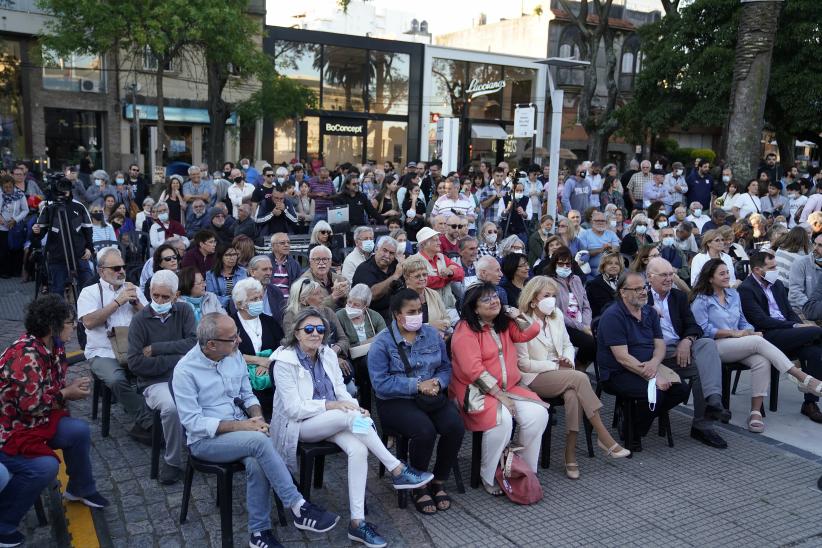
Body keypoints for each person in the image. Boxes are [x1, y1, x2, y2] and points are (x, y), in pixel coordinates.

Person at [173, 313, 340, 548]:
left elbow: (247, 394)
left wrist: (257, 418)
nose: (239, 341)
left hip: (242, 431)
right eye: (232, 338)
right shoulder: (185, 371)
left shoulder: (233, 356)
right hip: (205, 440)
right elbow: (193, 423)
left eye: (238, 335)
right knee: (260, 442)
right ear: (211, 344)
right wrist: (245, 427)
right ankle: (297, 506)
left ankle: (258, 534)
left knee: (256, 460)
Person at [271, 307, 432, 547]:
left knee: (358, 449)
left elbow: (341, 389)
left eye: (320, 329)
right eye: (309, 329)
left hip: (332, 418)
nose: (316, 334)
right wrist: (337, 406)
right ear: (296, 332)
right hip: (298, 425)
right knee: (349, 417)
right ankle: (396, 469)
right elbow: (294, 409)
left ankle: (358, 523)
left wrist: (354, 406)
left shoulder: (326, 354)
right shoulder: (284, 361)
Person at [0, 295, 107, 547]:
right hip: (10, 431)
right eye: (70, 322)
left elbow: (50, 388)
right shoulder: (25, 355)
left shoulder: (53, 346)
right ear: (52, 326)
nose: (74, 326)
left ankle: (80, 488)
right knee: (45, 467)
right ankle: (4, 523)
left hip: (33, 423)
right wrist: (66, 393)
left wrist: (68, 389)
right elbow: (31, 406)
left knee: (78, 431)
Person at [516, 276, 629, 478]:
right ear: (533, 299)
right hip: (534, 376)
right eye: (546, 295)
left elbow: (567, 344)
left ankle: (570, 455)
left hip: (561, 372)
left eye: (553, 295)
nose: (551, 299)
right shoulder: (522, 321)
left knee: (573, 395)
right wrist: (554, 365)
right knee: (579, 378)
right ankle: (603, 437)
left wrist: (567, 359)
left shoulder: (556, 315)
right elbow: (523, 363)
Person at [690, 259, 822, 433]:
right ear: (710, 278)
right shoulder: (702, 300)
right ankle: (801, 376)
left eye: (727, 272)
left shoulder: (733, 295)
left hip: (738, 343)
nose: (727, 276)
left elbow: (743, 321)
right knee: (759, 341)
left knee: (761, 360)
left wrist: (749, 331)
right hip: (713, 346)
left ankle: (755, 412)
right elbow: (702, 330)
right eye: (722, 274)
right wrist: (734, 333)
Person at [368, 289, 464, 513]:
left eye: (419, 310)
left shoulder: (431, 334)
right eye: (411, 312)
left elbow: (444, 366)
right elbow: (380, 383)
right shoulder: (382, 344)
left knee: (455, 426)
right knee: (424, 430)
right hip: (395, 399)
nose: (417, 315)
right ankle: (417, 485)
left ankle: (438, 480)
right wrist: (417, 385)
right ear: (396, 315)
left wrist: (438, 383)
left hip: (429, 396)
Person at [449, 283, 548, 495]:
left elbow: (531, 331)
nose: (494, 301)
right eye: (486, 299)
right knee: (501, 420)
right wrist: (499, 395)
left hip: (508, 387)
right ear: (474, 308)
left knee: (538, 415)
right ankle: (489, 474)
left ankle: (523, 469)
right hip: (475, 391)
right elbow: (472, 369)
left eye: (495, 296)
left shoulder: (502, 323)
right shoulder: (465, 329)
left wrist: (515, 313)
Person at [597, 272, 691, 450]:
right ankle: (633, 432)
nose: (643, 292)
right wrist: (653, 378)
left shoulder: (649, 312)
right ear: (623, 292)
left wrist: (655, 363)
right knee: (656, 394)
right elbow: (622, 358)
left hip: (648, 365)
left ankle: (634, 425)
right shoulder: (613, 316)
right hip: (618, 372)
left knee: (681, 389)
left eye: (644, 287)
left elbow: (660, 345)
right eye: (637, 289)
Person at [646, 258, 731, 448]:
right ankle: (711, 409)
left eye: (671, 274)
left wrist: (687, 340)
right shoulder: (641, 296)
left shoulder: (678, 297)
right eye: (664, 275)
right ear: (650, 277)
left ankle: (710, 409)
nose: (669, 279)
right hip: (653, 355)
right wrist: (646, 311)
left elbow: (694, 326)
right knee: (703, 367)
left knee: (707, 345)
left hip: (679, 349)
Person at [127, 270, 196, 484]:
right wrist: (177, 358)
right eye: (155, 295)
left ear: (176, 296)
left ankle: (207, 450)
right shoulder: (139, 320)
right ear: (149, 292)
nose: (159, 300)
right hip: (154, 382)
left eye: (165, 297)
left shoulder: (184, 311)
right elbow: (135, 363)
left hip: (185, 377)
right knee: (171, 408)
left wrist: (157, 348)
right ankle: (172, 462)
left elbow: (194, 344)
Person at [77, 247, 152, 443]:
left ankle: (162, 415)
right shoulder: (89, 292)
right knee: (117, 380)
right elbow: (89, 322)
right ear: (101, 271)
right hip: (102, 352)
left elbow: (150, 322)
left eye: (123, 267)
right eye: (116, 268)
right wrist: (117, 302)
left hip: (134, 349)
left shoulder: (132, 289)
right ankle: (148, 421)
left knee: (159, 371)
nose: (121, 271)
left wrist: (136, 304)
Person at [738, 250, 822, 423]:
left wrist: (798, 326)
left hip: (788, 333)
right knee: (817, 331)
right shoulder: (746, 289)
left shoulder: (776, 285)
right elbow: (761, 320)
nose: (776, 270)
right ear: (757, 270)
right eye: (771, 267)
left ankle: (810, 403)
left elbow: (789, 312)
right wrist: (796, 326)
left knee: (815, 352)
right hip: (766, 336)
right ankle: (804, 381)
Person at [32, 178, 95, 295]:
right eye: (61, 187)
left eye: (67, 188)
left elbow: (88, 230)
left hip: (80, 255)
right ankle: (59, 313)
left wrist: (89, 248)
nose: (64, 191)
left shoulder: (79, 207)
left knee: (88, 288)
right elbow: (39, 234)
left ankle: (87, 312)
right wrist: (36, 231)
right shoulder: (49, 208)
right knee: (57, 290)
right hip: (57, 258)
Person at [231, 277, 282, 420]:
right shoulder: (230, 323)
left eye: (260, 298)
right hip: (241, 377)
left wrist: (268, 363)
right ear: (240, 304)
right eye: (254, 299)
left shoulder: (269, 321)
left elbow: (283, 347)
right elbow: (228, 352)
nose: (259, 302)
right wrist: (259, 360)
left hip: (271, 374)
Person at [336, 284, 387, 410]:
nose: (351, 307)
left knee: (370, 363)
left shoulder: (374, 316)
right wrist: (367, 342)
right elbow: (341, 341)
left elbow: (385, 338)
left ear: (366, 306)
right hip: (348, 357)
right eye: (349, 302)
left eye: (356, 305)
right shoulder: (339, 315)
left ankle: (370, 407)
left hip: (371, 357)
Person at [544, 247, 595, 367]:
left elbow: (586, 305)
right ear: (554, 264)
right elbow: (556, 312)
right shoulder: (549, 282)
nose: (565, 267)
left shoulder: (576, 279)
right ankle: (578, 366)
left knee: (602, 339)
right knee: (590, 342)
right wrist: (582, 328)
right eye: (561, 264)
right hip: (563, 324)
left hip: (582, 323)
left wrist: (587, 325)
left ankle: (580, 365)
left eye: (568, 264)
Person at [300, 245, 349, 310]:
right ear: (310, 263)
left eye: (325, 259)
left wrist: (344, 295)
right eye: (317, 259)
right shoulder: (305, 282)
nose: (321, 263)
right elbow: (310, 309)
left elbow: (349, 304)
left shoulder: (340, 279)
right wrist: (333, 296)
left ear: (330, 262)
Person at [0, 175, 28, 278]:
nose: (7, 189)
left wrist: (16, 220)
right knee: (3, 250)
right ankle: (4, 271)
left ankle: (16, 271)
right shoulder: (0, 193)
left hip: (15, 226)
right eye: (5, 187)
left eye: (10, 187)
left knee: (16, 249)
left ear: (13, 185)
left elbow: (26, 210)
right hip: (2, 227)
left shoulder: (20, 194)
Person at [245, 255, 286, 324]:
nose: (269, 273)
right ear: (252, 272)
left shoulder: (276, 292)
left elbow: (281, 319)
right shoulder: (242, 291)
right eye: (264, 269)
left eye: (270, 269)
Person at [586, 251, 624, 319]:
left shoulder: (624, 281)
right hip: (603, 319)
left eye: (617, 264)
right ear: (603, 266)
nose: (613, 266)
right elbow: (606, 307)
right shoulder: (595, 284)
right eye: (610, 263)